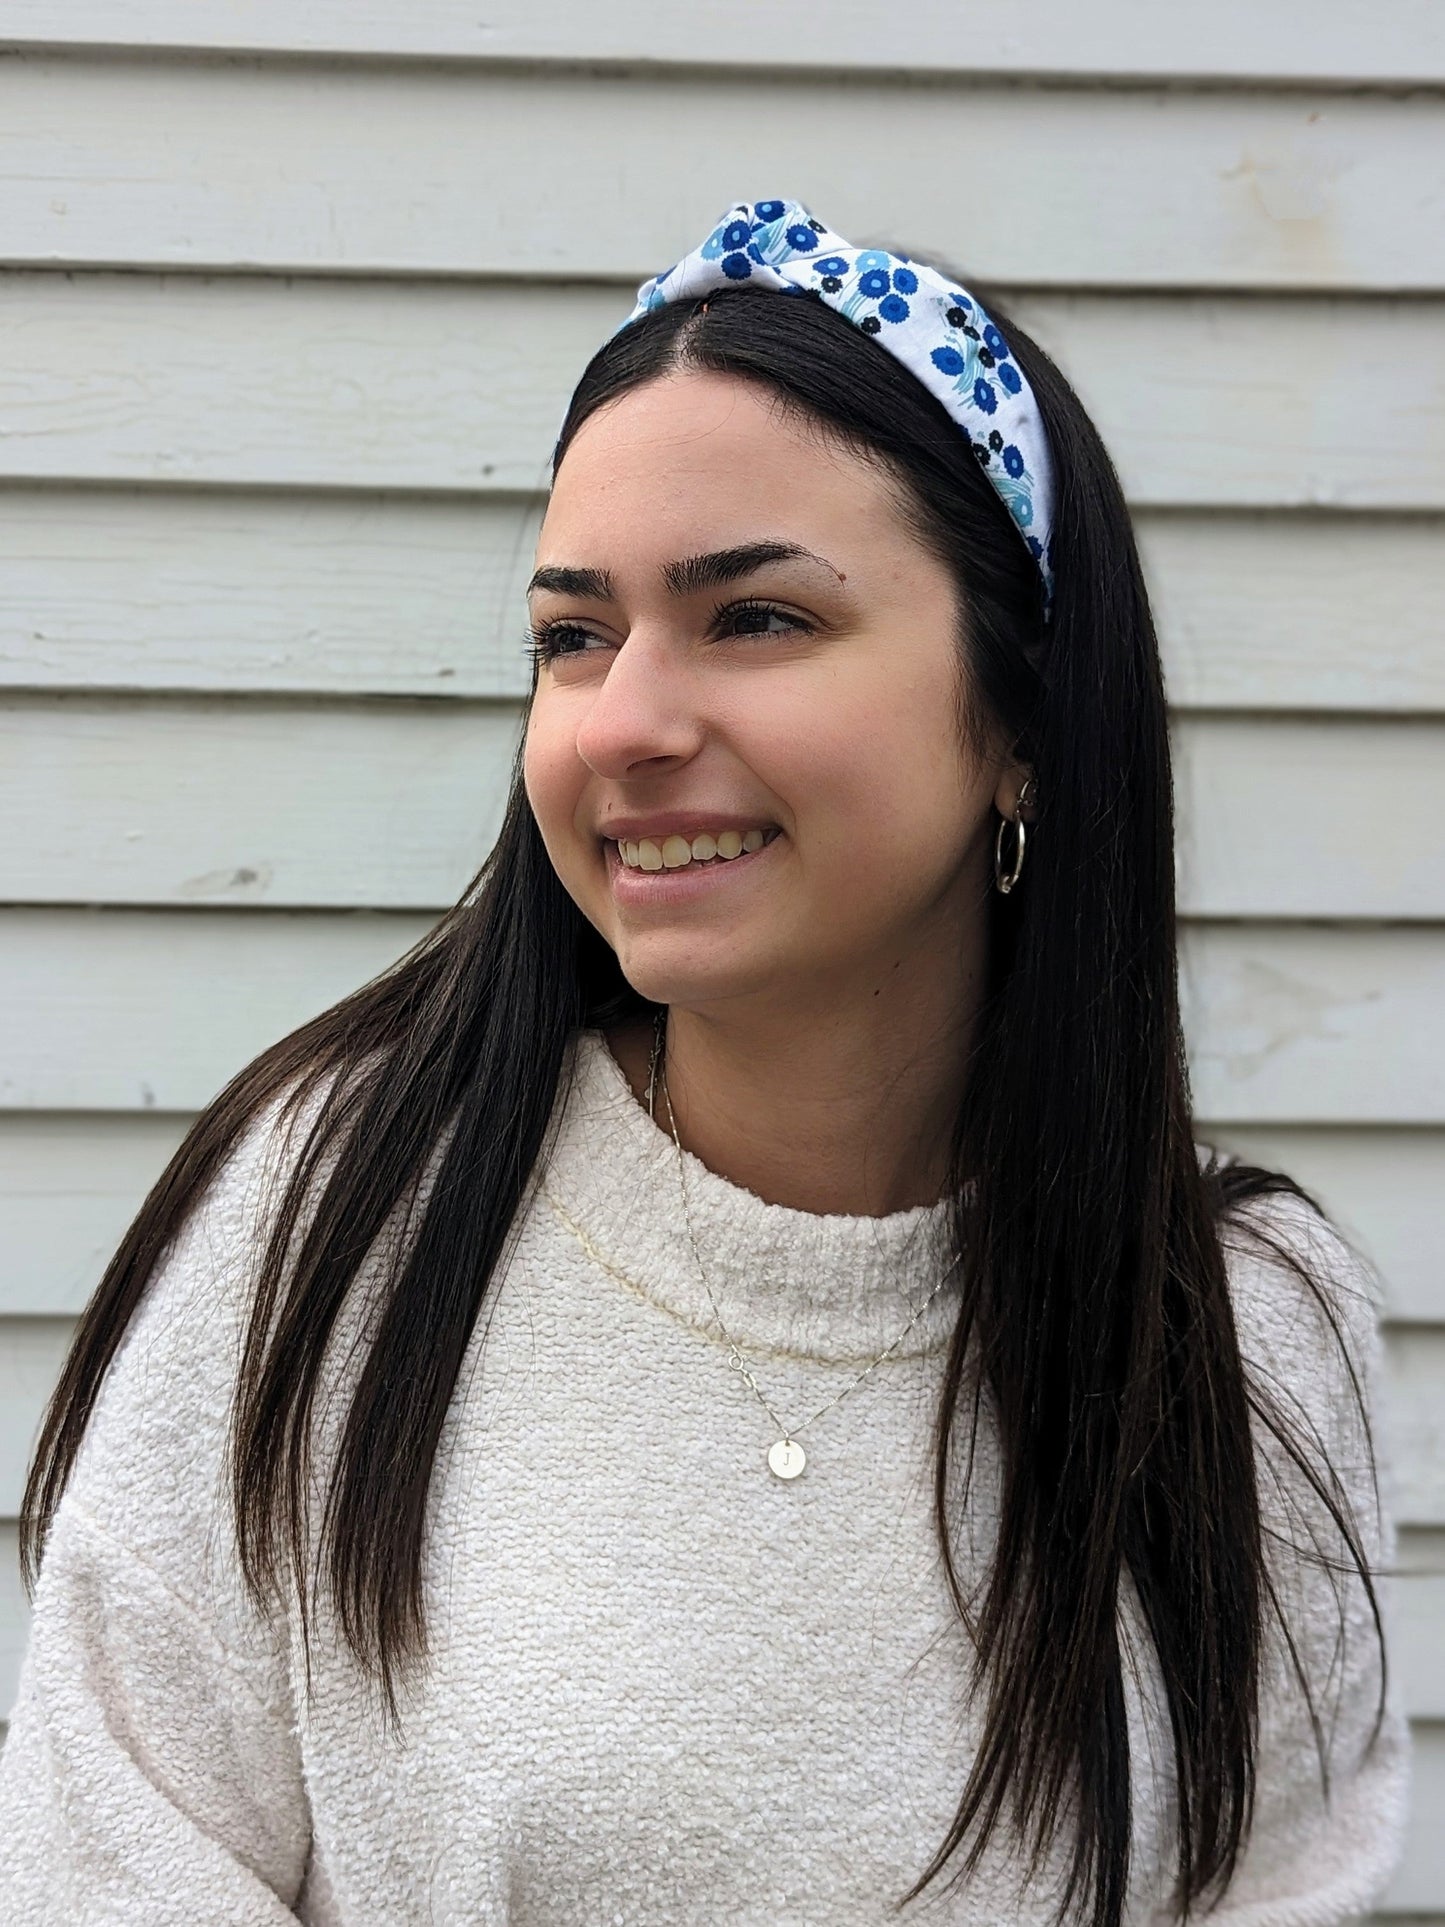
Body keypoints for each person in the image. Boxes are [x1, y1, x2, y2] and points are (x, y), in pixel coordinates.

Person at [0, 197, 1408, 1924]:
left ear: (1022, 721)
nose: (623, 721)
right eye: (572, 637)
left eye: (755, 619)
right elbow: (111, 1852)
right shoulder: (336, 1209)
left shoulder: (1239, 1331)